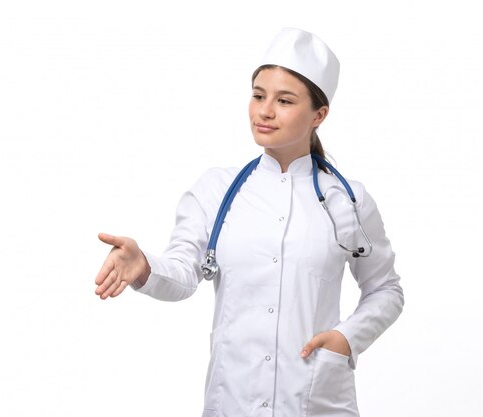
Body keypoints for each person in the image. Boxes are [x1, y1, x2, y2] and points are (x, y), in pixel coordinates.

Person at [94, 27, 404, 417]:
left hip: (316, 400)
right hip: (233, 398)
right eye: (258, 95)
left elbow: (386, 289)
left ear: (319, 115)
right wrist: (145, 266)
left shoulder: (349, 200)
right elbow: (183, 274)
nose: (265, 111)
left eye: (284, 100)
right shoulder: (217, 190)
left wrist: (347, 337)